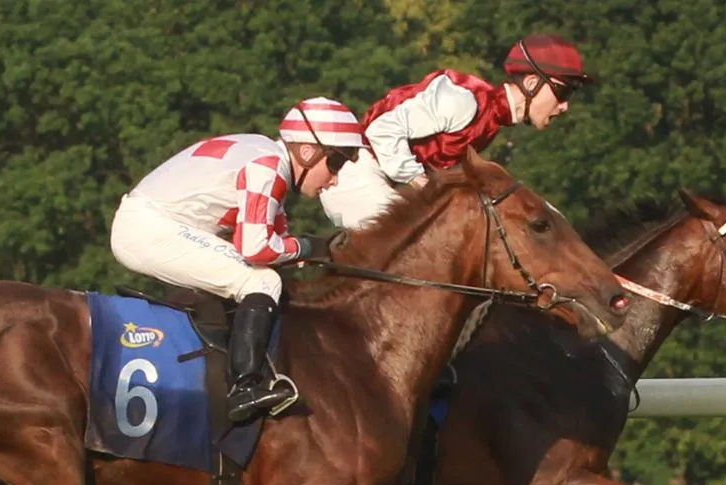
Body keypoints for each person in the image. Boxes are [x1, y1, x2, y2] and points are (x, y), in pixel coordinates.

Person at [110, 97, 364, 423]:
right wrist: (306, 248)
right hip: (149, 228)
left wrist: (320, 254)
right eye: (337, 163)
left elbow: (276, 247)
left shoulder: (264, 154)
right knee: (260, 281)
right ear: (308, 151)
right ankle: (245, 386)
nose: (335, 178)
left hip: (150, 222)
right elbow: (256, 249)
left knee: (259, 277)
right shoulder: (269, 167)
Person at [320, 35, 596, 230]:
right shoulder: (465, 100)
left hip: (382, 182)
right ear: (533, 82)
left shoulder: (491, 121)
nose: (565, 105)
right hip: (352, 175)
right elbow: (382, 131)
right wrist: (423, 184)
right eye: (563, 91)